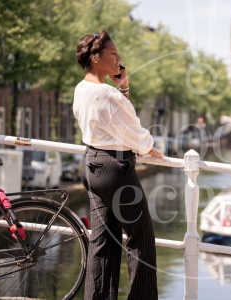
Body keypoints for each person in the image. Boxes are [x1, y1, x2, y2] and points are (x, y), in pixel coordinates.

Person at [73, 30, 163, 300]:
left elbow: (115, 122)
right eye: (113, 53)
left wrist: (122, 87)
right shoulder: (105, 94)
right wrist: (150, 147)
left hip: (92, 165)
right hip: (115, 169)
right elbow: (132, 130)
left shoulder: (82, 88)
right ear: (96, 58)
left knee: (103, 243)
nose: (119, 58)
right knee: (141, 239)